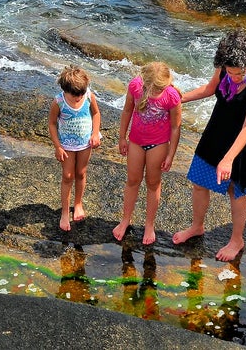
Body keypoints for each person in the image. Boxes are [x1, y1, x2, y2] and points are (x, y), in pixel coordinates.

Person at [173, 29, 246, 262]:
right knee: (198, 182)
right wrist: (179, 98)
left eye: (239, 73)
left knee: (235, 191)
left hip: (240, 144)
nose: (234, 77)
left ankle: (237, 240)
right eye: (230, 72)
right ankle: (197, 226)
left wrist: (228, 159)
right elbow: (209, 89)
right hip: (216, 132)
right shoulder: (225, 64)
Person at [112, 61, 182, 245]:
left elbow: (176, 127)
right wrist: (122, 137)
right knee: (133, 179)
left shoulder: (172, 96)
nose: (157, 93)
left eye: (160, 89)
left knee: (153, 182)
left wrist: (170, 155)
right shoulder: (135, 86)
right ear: (145, 83)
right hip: (136, 141)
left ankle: (149, 224)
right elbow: (127, 110)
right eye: (154, 89)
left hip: (158, 144)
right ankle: (125, 219)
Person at [48, 65, 102, 231]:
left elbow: (96, 114)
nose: (79, 97)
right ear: (65, 89)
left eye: (81, 94)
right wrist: (57, 146)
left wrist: (95, 133)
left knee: (81, 173)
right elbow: (52, 123)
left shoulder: (88, 96)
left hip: (86, 142)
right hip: (66, 145)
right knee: (67, 175)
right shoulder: (59, 101)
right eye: (75, 95)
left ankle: (78, 203)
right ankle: (65, 212)